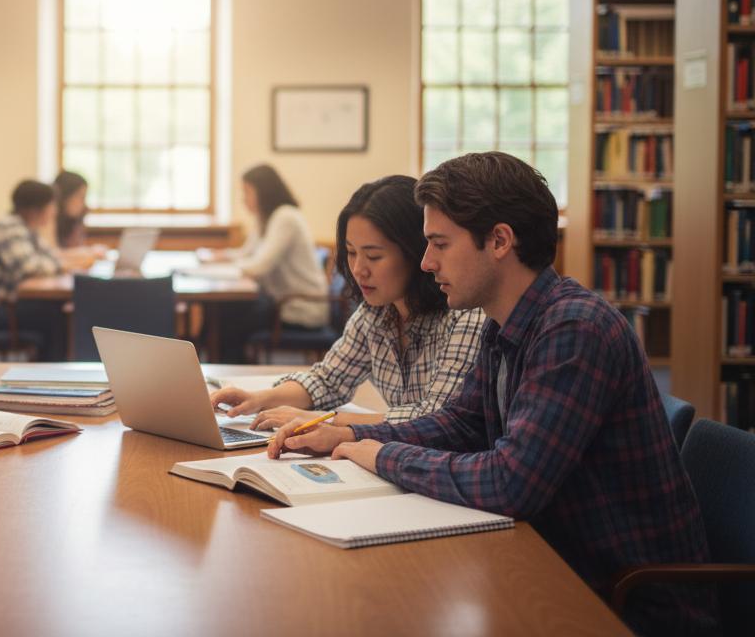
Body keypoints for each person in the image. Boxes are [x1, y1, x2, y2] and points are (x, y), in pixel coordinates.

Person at [270, 153, 714, 636]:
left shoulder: (575, 329)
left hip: (621, 602)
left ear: (500, 241)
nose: (426, 262)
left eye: (440, 243)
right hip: (553, 563)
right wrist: (350, 435)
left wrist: (381, 454)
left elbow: (511, 483)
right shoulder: (506, 323)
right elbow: (462, 424)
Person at [211, 175, 484, 429]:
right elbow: (328, 380)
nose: (358, 269)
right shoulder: (376, 313)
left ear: (416, 253)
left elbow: (436, 419)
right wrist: (257, 399)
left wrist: (326, 421)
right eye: (351, 253)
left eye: (374, 256)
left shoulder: (463, 315)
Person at [202, 165, 329, 361]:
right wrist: (222, 256)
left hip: (300, 309)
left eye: (247, 192)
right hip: (280, 304)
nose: (244, 199)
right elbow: (246, 254)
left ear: (263, 191)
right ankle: (222, 368)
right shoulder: (266, 218)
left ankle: (228, 371)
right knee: (220, 313)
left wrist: (222, 268)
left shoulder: (286, 217)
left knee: (226, 320)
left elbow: (258, 267)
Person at [0, 179, 68, 360]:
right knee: (55, 315)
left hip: (0, 304)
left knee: (56, 310)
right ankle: (50, 368)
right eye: (51, 205)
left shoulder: (27, 228)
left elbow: (51, 258)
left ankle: (48, 367)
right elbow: (29, 267)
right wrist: (60, 266)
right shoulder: (10, 227)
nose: (54, 211)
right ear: (35, 209)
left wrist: (57, 264)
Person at [53, 170, 89, 249]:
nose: (84, 204)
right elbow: (52, 253)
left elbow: (77, 247)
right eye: (81, 197)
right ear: (65, 197)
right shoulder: (49, 219)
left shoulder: (75, 220)